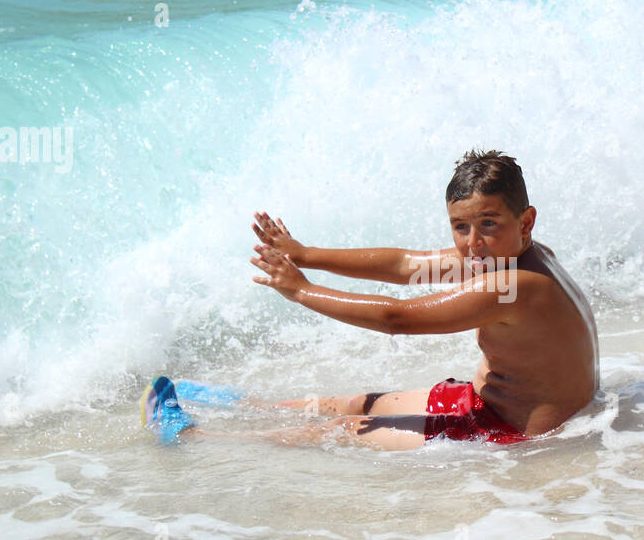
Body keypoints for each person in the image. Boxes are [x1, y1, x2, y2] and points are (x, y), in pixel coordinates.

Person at [143, 149, 599, 450]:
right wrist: (306, 254)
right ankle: (243, 403)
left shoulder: (512, 287)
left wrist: (302, 290)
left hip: (508, 433)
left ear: (526, 221)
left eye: (488, 223)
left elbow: (396, 317)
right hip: (482, 402)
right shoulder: (507, 260)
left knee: (341, 432)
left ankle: (197, 438)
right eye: (461, 227)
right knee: (356, 403)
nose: (473, 242)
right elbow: (405, 266)